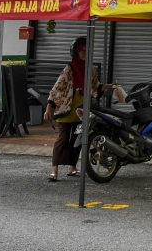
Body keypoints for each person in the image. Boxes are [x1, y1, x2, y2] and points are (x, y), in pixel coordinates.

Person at [44, 36, 122, 182]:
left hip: (82, 109)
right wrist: (49, 107)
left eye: (88, 51)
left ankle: (72, 168)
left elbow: (96, 86)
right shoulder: (69, 69)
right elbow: (57, 89)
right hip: (67, 108)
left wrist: (110, 86)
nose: (86, 54)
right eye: (83, 51)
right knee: (62, 139)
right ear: (76, 52)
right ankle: (54, 170)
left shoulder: (91, 70)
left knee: (78, 139)